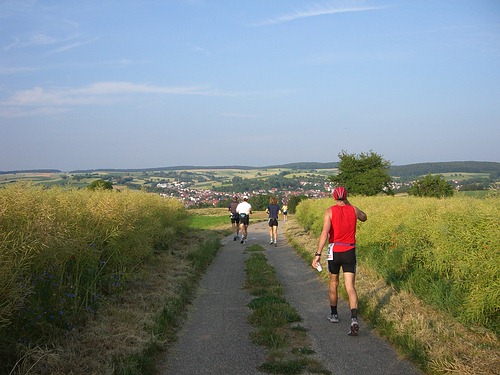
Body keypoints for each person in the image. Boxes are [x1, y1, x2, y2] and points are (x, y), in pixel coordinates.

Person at [312, 186, 367, 336]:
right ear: (346, 196)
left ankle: (334, 314)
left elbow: (325, 233)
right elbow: (364, 217)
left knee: (333, 282)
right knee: (350, 286)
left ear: (334, 197)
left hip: (334, 250)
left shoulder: (329, 211)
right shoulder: (353, 209)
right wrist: (349, 205)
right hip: (349, 250)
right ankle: (354, 319)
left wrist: (317, 254)